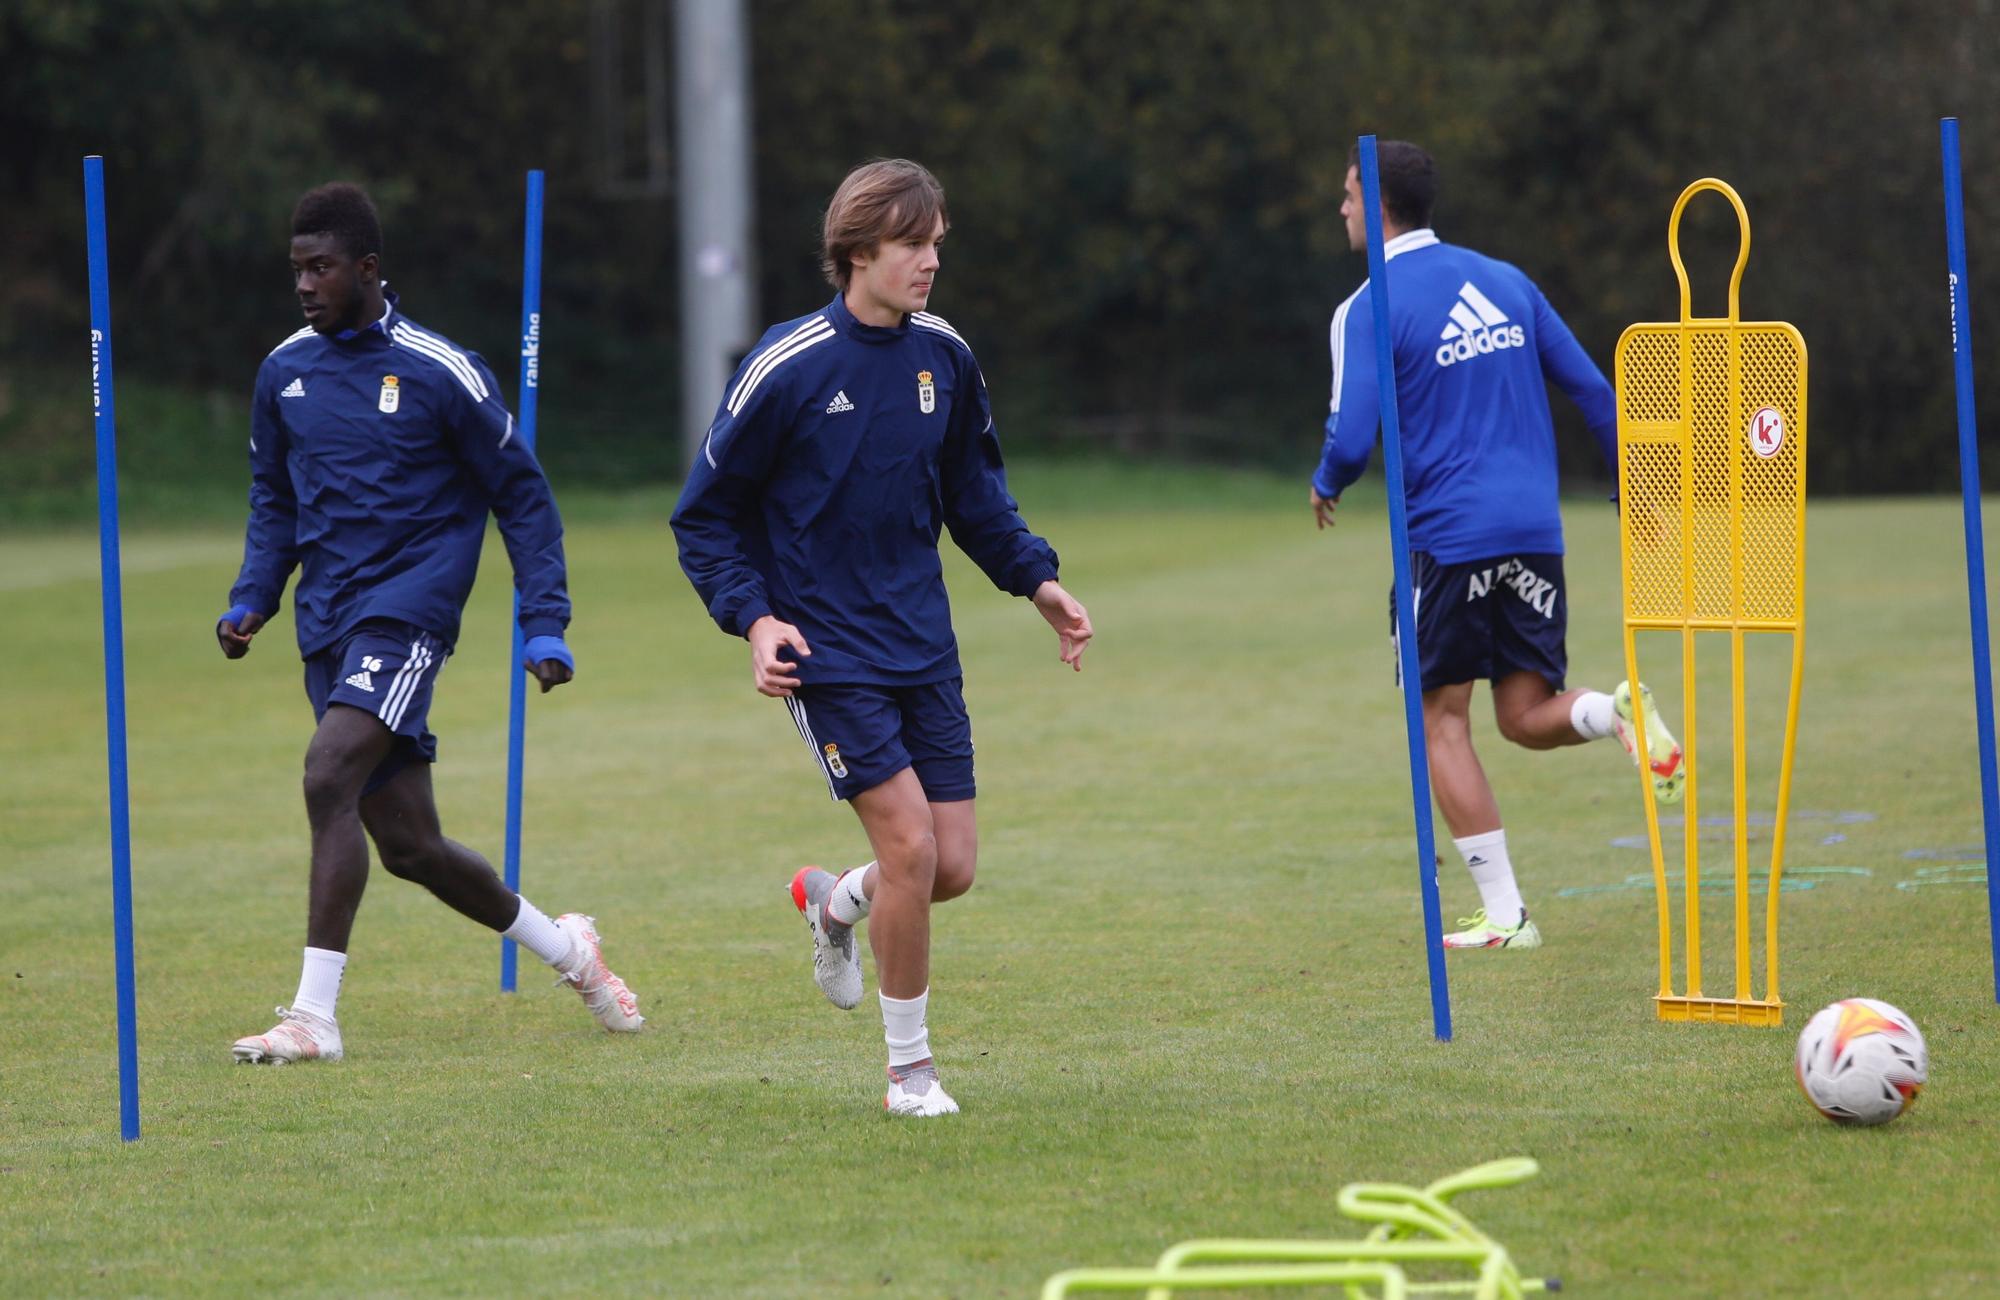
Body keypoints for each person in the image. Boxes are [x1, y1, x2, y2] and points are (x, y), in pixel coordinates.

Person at [672, 158, 1091, 1116]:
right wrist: (755, 617)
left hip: (922, 644)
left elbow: (976, 498)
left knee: (950, 868)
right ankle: (910, 1072)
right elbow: (705, 517)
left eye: (937, 242)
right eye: (913, 244)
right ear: (858, 251)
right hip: (827, 652)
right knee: (910, 849)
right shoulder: (786, 365)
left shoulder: (944, 356)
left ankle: (835, 904)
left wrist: (1040, 583)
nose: (931, 261)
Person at [219, 182, 641, 1064]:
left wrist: (545, 622)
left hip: (408, 615)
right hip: (326, 622)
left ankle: (313, 1019)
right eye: (296, 268)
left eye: (320, 267)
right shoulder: (282, 373)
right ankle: (573, 951)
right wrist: (254, 595)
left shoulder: (439, 371)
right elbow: (274, 501)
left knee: (327, 773)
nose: (303, 284)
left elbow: (522, 497)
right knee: (412, 846)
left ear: (367, 270)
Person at [1310, 141, 1684, 951]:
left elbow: (1352, 440)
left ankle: (1507, 915)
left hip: (1447, 540)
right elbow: (1595, 394)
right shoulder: (1509, 282)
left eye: (1346, 197)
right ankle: (1612, 708)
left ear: (1377, 207)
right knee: (1523, 714)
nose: (1340, 210)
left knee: (1441, 721)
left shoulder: (1366, 306)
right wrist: (1636, 487)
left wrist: (1325, 481)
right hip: (1534, 535)